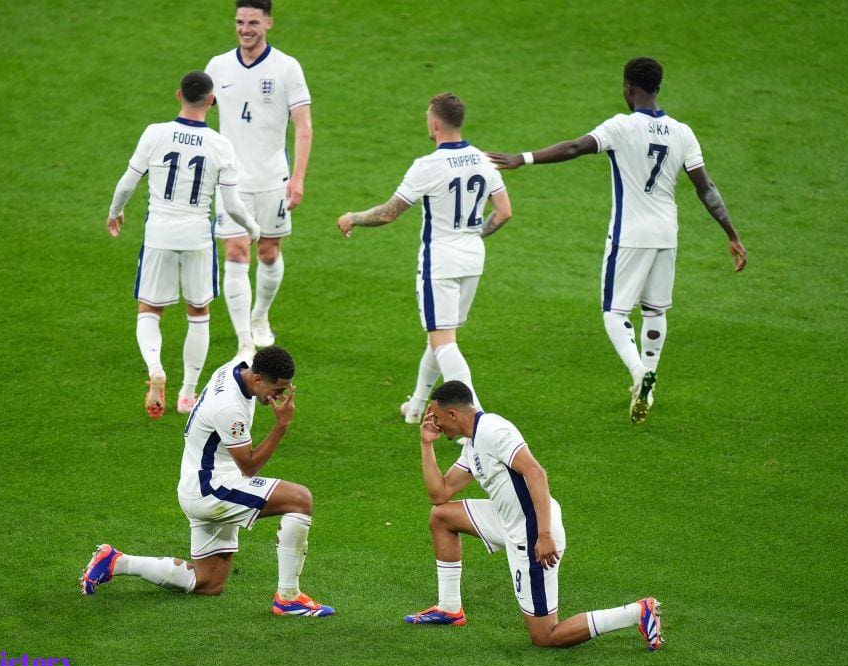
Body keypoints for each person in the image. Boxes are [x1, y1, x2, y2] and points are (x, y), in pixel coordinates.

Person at [488, 57, 747, 424]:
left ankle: (640, 373)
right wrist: (732, 235)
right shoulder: (682, 132)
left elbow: (576, 147)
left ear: (628, 88)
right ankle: (650, 387)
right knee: (655, 310)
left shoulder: (622, 127)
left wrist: (523, 158)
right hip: (666, 234)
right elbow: (706, 189)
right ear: (657, 88)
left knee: (615, 312)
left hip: (630, 233)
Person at [404, 380, 662, 651]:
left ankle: (638, 612)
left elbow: (536, 472)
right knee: (441, 516)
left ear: (454, 414)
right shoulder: (473, 444)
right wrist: (426, 444)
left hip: (532, 533)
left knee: (546, 636)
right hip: (507, 520)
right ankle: (449, 608)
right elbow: (440, 493)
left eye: (437, 416)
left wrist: (544, 533)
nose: (436, 422)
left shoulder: (493, 430)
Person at [81, 346, 334, 618]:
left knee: (208, 582)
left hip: (197, 482)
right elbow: (249, 466)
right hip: (211, 488)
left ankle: (116, 561)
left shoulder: (236, 368)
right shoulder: (229, 407)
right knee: (300, 500)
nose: (280, 396)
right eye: (277, 389)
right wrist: (281, 426)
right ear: (258, 379)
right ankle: (288, 597)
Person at [337, 93, 512, 426]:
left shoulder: (428, 166)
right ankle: (416, 407)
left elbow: (389, 213)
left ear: (434, 124)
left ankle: (476, 418)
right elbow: (504, 212)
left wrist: (353, 217)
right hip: (473, 258)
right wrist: (473, 236)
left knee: (444, 342)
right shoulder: (483, 160)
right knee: (440, 335)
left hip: (440, 262)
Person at [106, 71, 261, 418]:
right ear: (211, 100)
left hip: (159, 233)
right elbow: (234, 206)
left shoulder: (155, 133)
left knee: (149, 310)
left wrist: (115, 212)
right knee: (199, 314)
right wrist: (252, 227)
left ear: (179, 95)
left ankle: (155, 369)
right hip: (196, 238)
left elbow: (128, 183)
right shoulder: (220, 145)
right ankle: (188, 394)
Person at [206, 0, 313, 361]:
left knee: (268, 252)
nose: (245, 29)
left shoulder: (287, 68)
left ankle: (260, 315)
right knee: (236, 252)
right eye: (239, 21)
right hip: (230, 182)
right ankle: (243, 342)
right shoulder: (218, 67)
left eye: (253, 22)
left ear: (268, 23)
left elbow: (303, 127)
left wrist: (297, 179)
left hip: (272, 180)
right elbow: (200, 113)